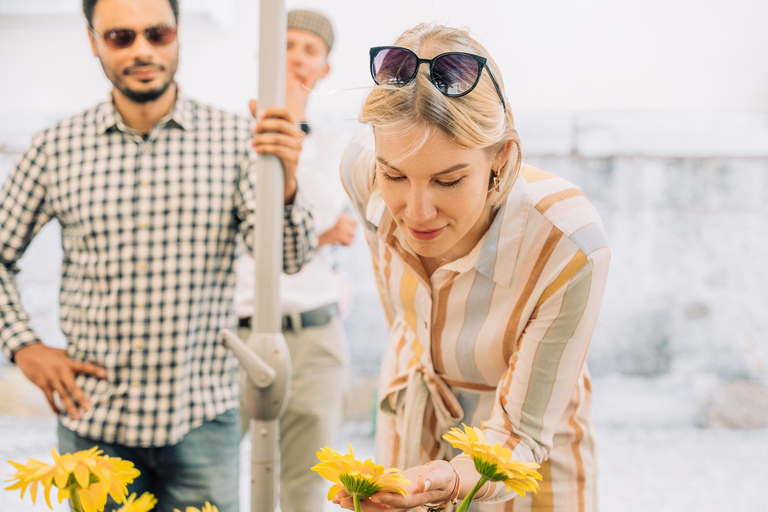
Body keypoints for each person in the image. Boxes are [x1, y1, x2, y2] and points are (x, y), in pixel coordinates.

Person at [0, 0, 313, 510]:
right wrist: (23, 347)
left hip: (202, 421)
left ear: (178, 34)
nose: (142, 50)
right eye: (121, 37)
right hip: (93, 426)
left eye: (157, 34)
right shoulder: (54, 148)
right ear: (93, 41)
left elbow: (288, 259)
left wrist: (286, 181)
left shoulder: (237, 140)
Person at [335, 24, 610, 512]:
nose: (416, 212)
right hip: (412, 427)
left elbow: (522, 432)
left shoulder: (567, 243)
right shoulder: (362, 173)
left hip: (529, 455)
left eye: (448, 180)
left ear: (500, 160)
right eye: (395, 175)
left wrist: (452, 477)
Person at [234, 9, 356, 512]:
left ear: (325, 67)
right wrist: (324, 233)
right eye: (286, 47)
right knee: (212, 467)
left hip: (315, 332)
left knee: (306, 487)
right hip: (237, 330)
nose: (297, 59)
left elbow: (324, 212)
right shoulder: (232, 135)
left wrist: (292, 132)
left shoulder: (333, 144)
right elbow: (253, 225)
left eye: (310, 50)